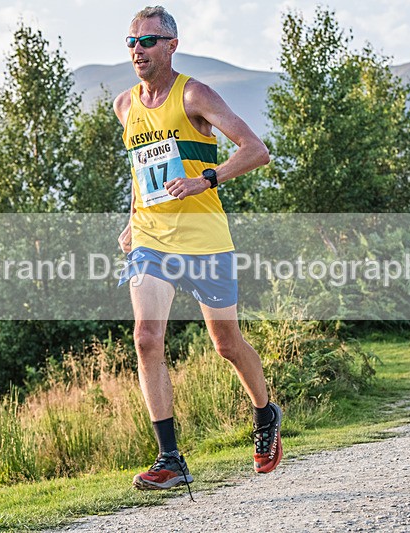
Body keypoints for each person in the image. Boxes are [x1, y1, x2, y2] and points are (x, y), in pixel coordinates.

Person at [113, 5, 282, 492]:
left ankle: (265, 413)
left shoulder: (195, 95)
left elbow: (255, 149)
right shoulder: (126, 106)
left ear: (171, 45)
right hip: (151, 239)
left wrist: (205, 178)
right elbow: (138, 171)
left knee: (225, 344)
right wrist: (131, 221)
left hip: (205, 241)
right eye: (131, 42)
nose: (137, 50)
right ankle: (170, 457)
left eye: (147, 41)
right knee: (146, 338)